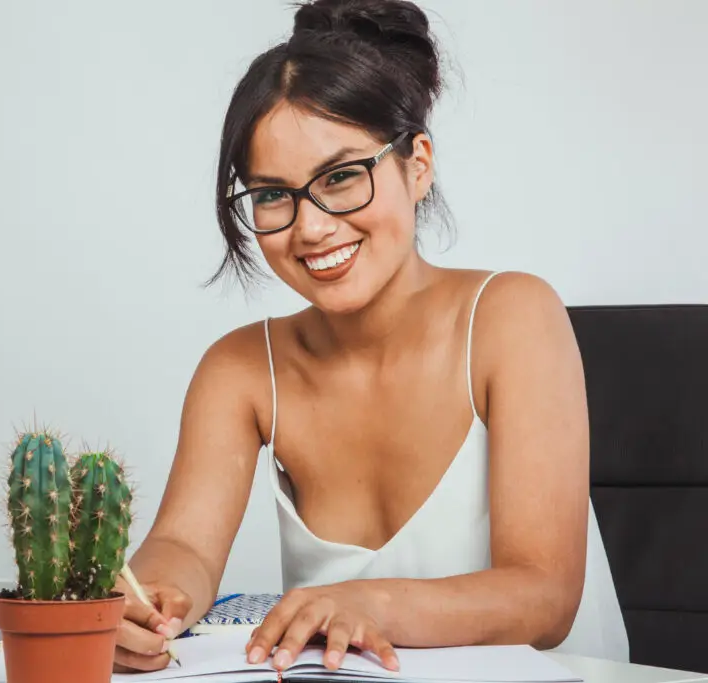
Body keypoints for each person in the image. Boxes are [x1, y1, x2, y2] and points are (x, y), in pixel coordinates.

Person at [112, 0, 629, 675]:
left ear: (417, 165)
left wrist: (369, 603)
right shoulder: (240, 369)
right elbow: (184, 542)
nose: (312, 227)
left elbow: (545, 593)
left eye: (340, 177)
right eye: (273, 194)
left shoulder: (512, 317)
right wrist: (152, 602)